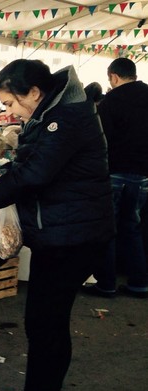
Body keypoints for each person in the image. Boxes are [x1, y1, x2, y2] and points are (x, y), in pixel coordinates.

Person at [0, 59, 114, 391]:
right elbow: (39, 165)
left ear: (34, 93)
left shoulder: (64, 118)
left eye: (11, 103)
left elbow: (37, 172)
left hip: (71, 237)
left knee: (45, 323)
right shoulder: (61, 111)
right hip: (68, 232)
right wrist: (7, 176)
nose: (10, 111)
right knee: (48, 322)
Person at [83, 58, 148, 298]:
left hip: (115, 173)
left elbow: (100, 140)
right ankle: (139, 283)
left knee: (107, 229)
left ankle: (107, 284)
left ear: (113, 76)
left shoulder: (109, 102)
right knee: (132, 228)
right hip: (143, 176)